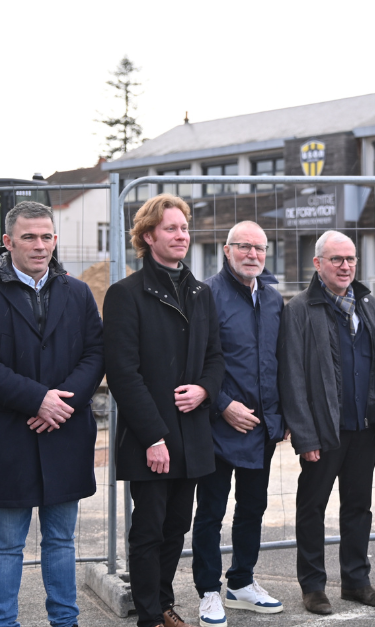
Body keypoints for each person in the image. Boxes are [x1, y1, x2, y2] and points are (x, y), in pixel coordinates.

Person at [0, 201, 105, 627]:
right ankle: (2, 623)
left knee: (61, 539)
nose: (40, 246)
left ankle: (65, 621)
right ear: (8, 242)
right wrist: (37, 400)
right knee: (5, 541)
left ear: (55, 239)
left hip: (64, 430)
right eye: (29, 237)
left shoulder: (76, 292)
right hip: (7, 434)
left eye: (46, 237)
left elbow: (96, 353)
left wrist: (62, 404)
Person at [104, 194, 225, 627]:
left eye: (185, 228)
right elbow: (122, 373)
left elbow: (216, 357)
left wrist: (205, 390)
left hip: (191, 434)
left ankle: (164, 602)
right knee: (149, 531)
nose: (181, 235)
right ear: (149, 235)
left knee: (176, 529)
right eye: (171, 228)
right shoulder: (126, 294)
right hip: (150, 436)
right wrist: (153, 437)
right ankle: (150, 616)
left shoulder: (199, 293)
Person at [279, 230, 375, 615]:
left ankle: (356, 582)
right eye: (336, 259)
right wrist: (304, 434)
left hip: (364, 429)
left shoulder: (367, 303)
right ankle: (313, 586)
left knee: (358, 507)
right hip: (323, 432)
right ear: (318, 264)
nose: (345, 266)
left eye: (350, 259)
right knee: (312, 508)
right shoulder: (299, 309)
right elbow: (292, 377)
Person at [192, 221, 286, 627]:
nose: (252, 255)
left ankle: (242, 582)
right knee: (211, 511)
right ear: (226, 251)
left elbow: (278, 364)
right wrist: (223, 405)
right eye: (244, 247)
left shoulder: (273, 299)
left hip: (262, 429)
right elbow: (194, 362)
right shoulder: (206, 296)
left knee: (253, 508)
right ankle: (209, 592)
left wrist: (280, 419)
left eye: (259, 248)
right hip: (218, 427)